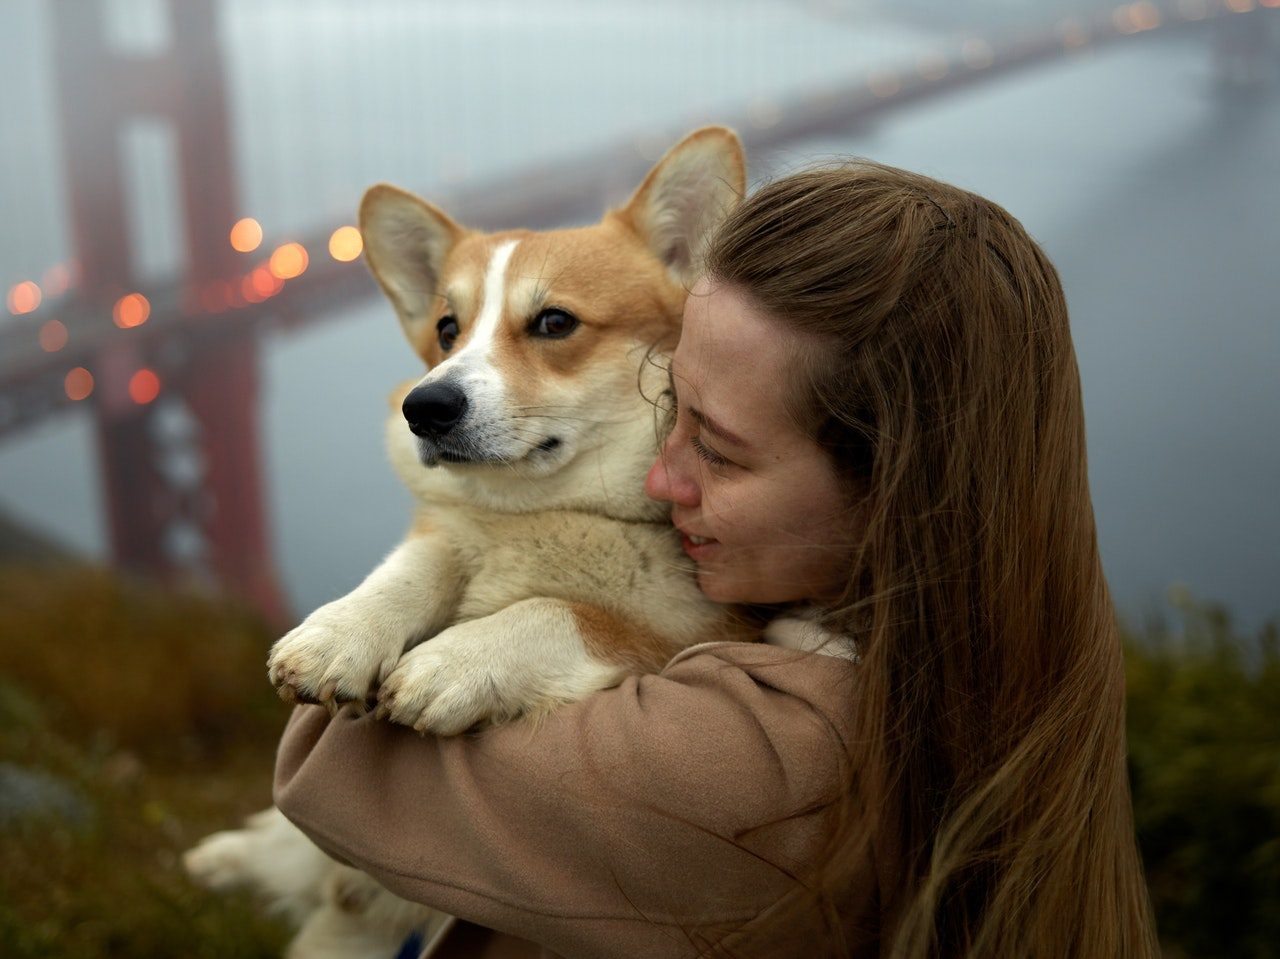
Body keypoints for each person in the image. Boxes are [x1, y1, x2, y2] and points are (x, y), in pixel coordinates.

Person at [274, 161, 1160, 958]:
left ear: (894, 487)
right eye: (671, 409)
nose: (659, 479)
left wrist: (486, 608)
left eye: (723, 453)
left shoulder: (776, 758)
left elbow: (326, 762)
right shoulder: (993, 668)